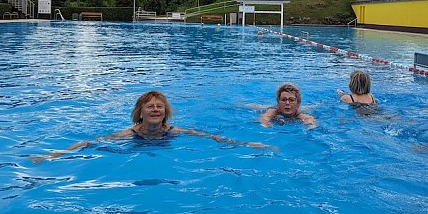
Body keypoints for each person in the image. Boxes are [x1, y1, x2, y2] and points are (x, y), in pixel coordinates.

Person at [32, 90, 274, 163]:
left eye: (160, 107)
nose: (156, 110)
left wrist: (247, 144)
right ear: (140, 113)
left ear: (165, 112)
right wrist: (55, 154)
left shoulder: (174, 131)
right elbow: (90, 143)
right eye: (150, 107)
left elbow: (212, 138)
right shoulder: (128, 134)